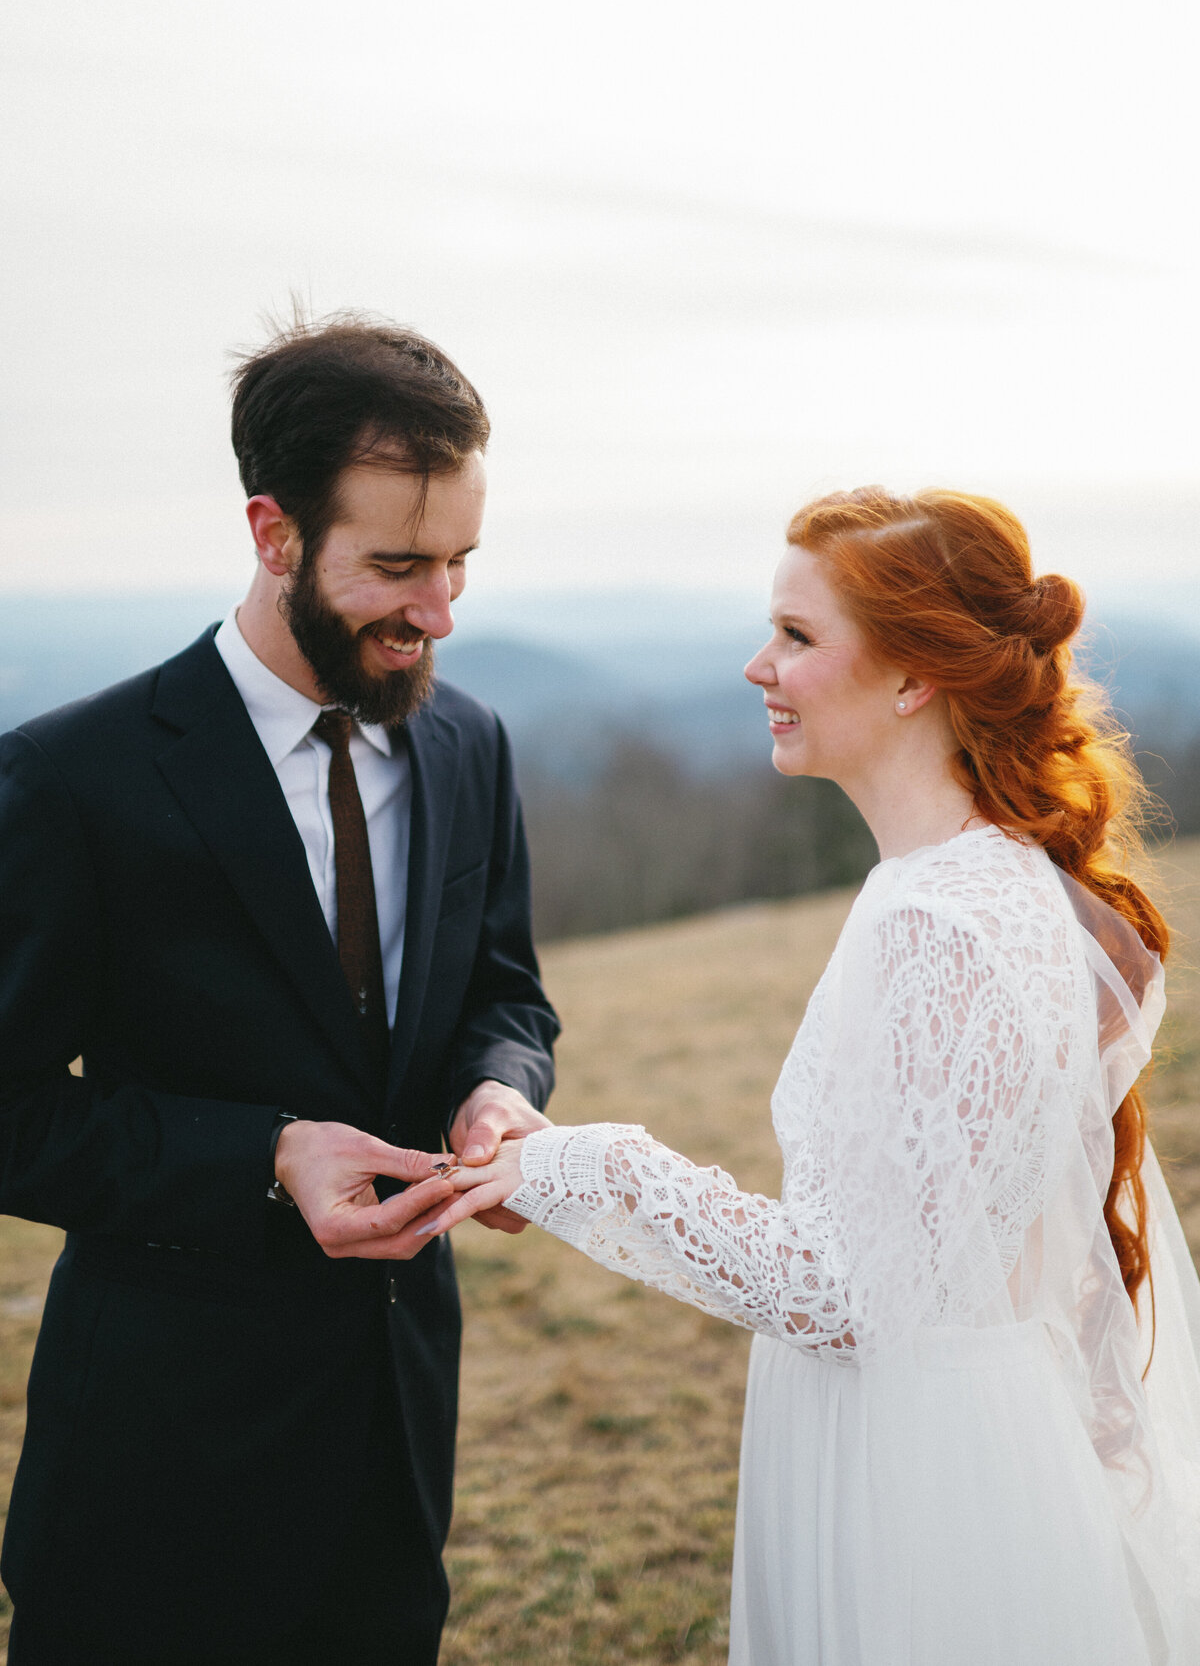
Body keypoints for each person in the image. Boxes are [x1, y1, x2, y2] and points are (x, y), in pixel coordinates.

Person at [415, 487, 1200, 1663]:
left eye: (796, 636)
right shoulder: (1013, 888)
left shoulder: (933, 922)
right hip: (997, 1431)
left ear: (911, 677)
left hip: (917, 1466)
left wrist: (585, 1163)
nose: (755, 666)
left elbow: (845, 1295)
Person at [0, 315, 558, 1664]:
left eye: (462, 563)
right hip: (154, 1471)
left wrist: (500, 1088)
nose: (438, 610)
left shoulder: (469, 742)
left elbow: (507, 991)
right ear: (275, 534)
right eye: (400, 565)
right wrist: (264, 1159)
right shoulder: (75, 780)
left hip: (395, 1434)